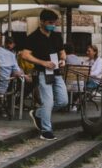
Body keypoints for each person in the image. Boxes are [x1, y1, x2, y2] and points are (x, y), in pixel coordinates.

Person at [19, 9, 68, 141]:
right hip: (42, 72)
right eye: (50, 22)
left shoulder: (56, 36)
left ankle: (38, 113)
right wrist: (43, 63)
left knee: (63, 101)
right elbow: (25, 54)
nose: (53, 25)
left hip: (56, 72)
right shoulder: (33, 37)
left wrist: (63, 60)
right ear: (42, 22)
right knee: (48, 102)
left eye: (54, 23)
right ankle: (46, 130)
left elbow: (62, 53)